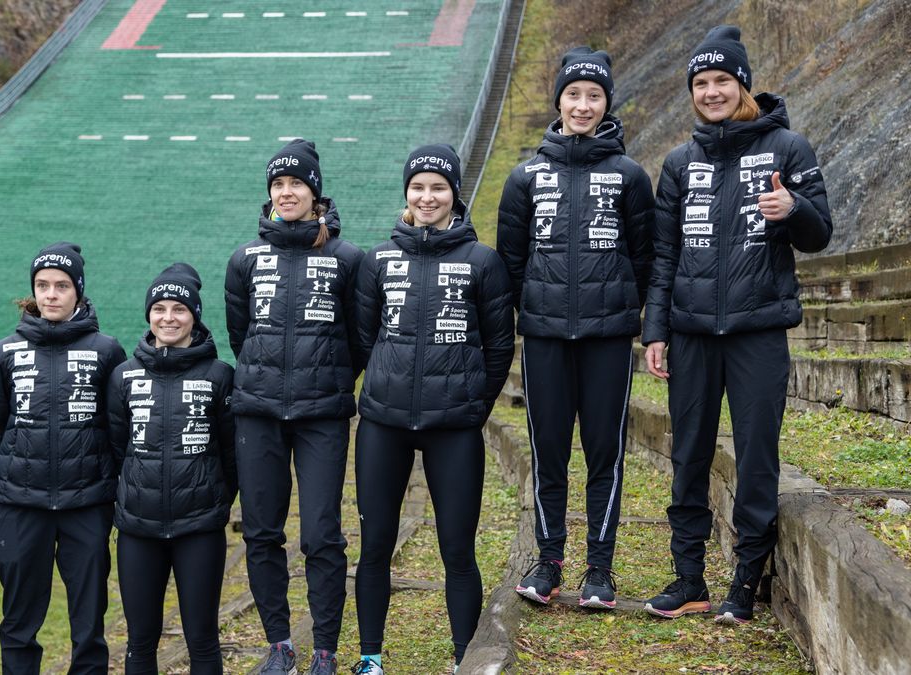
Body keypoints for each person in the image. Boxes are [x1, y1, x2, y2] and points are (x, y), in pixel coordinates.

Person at [641, 26, 832, 624]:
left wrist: (793, 209)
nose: (712, 91)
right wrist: (656, 330)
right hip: (692, 332)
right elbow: (663, 256)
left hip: (758, 331)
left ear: (743, 84)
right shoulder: (678, 163)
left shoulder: (788, 148)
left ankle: (746, 582)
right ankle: (688, 577)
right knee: (690, 455)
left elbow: (820, 232)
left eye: (722, 80)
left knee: (755, 457)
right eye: (701, 83)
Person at [497, 47, 655, 609]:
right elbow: (510, 264)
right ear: (558, 101)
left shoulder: (629, 176)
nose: (583, 105)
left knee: (603, 452)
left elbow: (645, 259)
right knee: (549, 452)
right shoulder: (525, 177)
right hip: (542, 337)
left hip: (608, 338)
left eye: (594, 95)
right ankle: (549, 561)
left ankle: (600, 568)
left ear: (607, 102)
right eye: (573, 95)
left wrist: (621, 311)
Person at [351, 144, 515, 674]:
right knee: (375, 544)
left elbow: (498, 347)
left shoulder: (482, 261)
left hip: (454, 428)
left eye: (438, 187)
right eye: (418, 187)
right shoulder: (379, 260)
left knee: (457, 549)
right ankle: (370, 658)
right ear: (406, 193)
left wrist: (471, 406)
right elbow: (363, 337)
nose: (427, 197)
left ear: (454, 196)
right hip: (383, 423)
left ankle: (464, 658)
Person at [224, 139, 365, 674]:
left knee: (321, 534)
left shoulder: (347, 258)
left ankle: (325, 648)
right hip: (257, 413)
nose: (286, 193)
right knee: (261, 531)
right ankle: (279, 644)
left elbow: (361, 337)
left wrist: (323, 378)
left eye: (296, 184)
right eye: (278, 185)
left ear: (315, 192)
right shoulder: (245, 259)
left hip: (321, 414)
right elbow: (243, 334)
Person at [0, 242, 127, 673]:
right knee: (19, 622)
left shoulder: (107, 350)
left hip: (87, 503)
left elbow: (116, 426)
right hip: (21, 505)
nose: (51, 294)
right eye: (42, 285)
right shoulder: (3, 353)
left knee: (89, 622)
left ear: (78, 292)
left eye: (61, 286)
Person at [108, 263, 237, 673]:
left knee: (202, 639)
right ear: (148, 315)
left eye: (179, 309)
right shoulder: (123, 377)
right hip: (137, 530)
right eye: (159, 308)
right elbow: (115, 449)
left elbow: (231, 455)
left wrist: (212, 498)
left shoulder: (220, 376)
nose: (168, 317)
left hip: (198, 529)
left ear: (194, 316)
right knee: (140, 642)